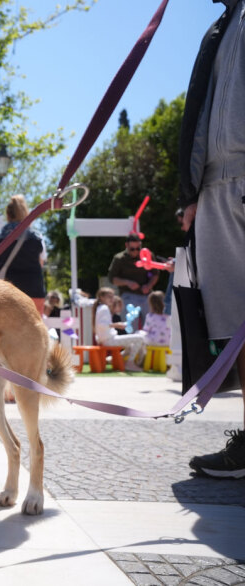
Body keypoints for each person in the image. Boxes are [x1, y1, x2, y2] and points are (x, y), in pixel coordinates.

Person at [178, 0, 245, 478]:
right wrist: (192, 192)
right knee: (233, 327)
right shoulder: (223, 23)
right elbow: (203, 110)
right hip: (215, 187)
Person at [0, 194, 47, 314]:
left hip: (4, 295)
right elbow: (40, 265)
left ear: (8, 214)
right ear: (26, 213)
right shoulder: (37, 237)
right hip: (33, 294)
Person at [108, 234, 158, 330]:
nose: (135, 251)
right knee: (130, 327)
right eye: (132, 249)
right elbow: (112, 278)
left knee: (151, 327)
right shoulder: (119, 258)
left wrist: (149, 285)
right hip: (128, 295)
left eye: (138, 248)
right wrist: (127, 282)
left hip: (146, 296)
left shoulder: (148, 255)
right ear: (126, 245)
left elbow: (155, 274)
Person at [93, 287, 146, 371]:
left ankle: (113, 360)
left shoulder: (102, 308)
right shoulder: (104, 308)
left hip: (107, 339)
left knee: (131, 345)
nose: (112, 299)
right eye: (109, 297)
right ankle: (130, 362)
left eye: (112, 296)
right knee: (140, 338)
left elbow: (102, 325)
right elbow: (101, 325)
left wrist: (116, 325)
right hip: (109, 340)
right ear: (101, 297)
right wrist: (117, 325)